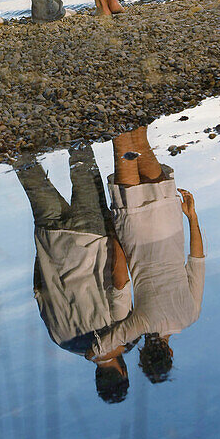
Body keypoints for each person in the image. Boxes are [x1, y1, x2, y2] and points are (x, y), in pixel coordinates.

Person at [15, 146, 135, 403]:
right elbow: (39, 290)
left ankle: (70, 121)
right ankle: (6, 131)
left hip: (91, 237)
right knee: (28, 171)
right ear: (97, 377)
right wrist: (43, 251)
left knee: (83, 164)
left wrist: (114, 235)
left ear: (124, 371)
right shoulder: (60, 340)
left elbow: (120, 281)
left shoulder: (121, 334)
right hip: (52, 240)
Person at [85, 126, 205, 383]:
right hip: (136, 229)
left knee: (141, 140)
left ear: (170, 352)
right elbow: (94, 351)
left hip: (168, 223)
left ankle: (134, 101)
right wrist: (103, 353)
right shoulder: (138, 325)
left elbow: (196, 261)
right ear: (141, 354)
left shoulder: (191, 315)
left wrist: (192, 217)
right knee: (123, 146)